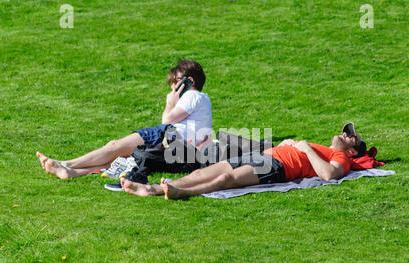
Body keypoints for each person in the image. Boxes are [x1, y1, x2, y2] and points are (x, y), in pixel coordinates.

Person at [37, 59, 212, 179]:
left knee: (114, 146)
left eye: (175, 81)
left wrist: (170, 102)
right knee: (121, 158)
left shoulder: (193, 95)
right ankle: (71, 172)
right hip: (181, 151)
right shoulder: (204, 102)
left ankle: (65, 163)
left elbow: (166, 120)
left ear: (189, 81)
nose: (172, 87)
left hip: (170, 136)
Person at [120, 123, 367, 199]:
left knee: (226, 180)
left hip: (278, 167)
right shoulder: (326, 148)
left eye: (351, 136)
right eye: (347, 130)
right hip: (266, 156)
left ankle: (179, 192)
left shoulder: (342, 157)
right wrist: (287, 144)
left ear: (353, 151)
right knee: (203, 172)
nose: (346, 133)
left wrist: (304, 147)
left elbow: (329, 175)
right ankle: (151, 189)